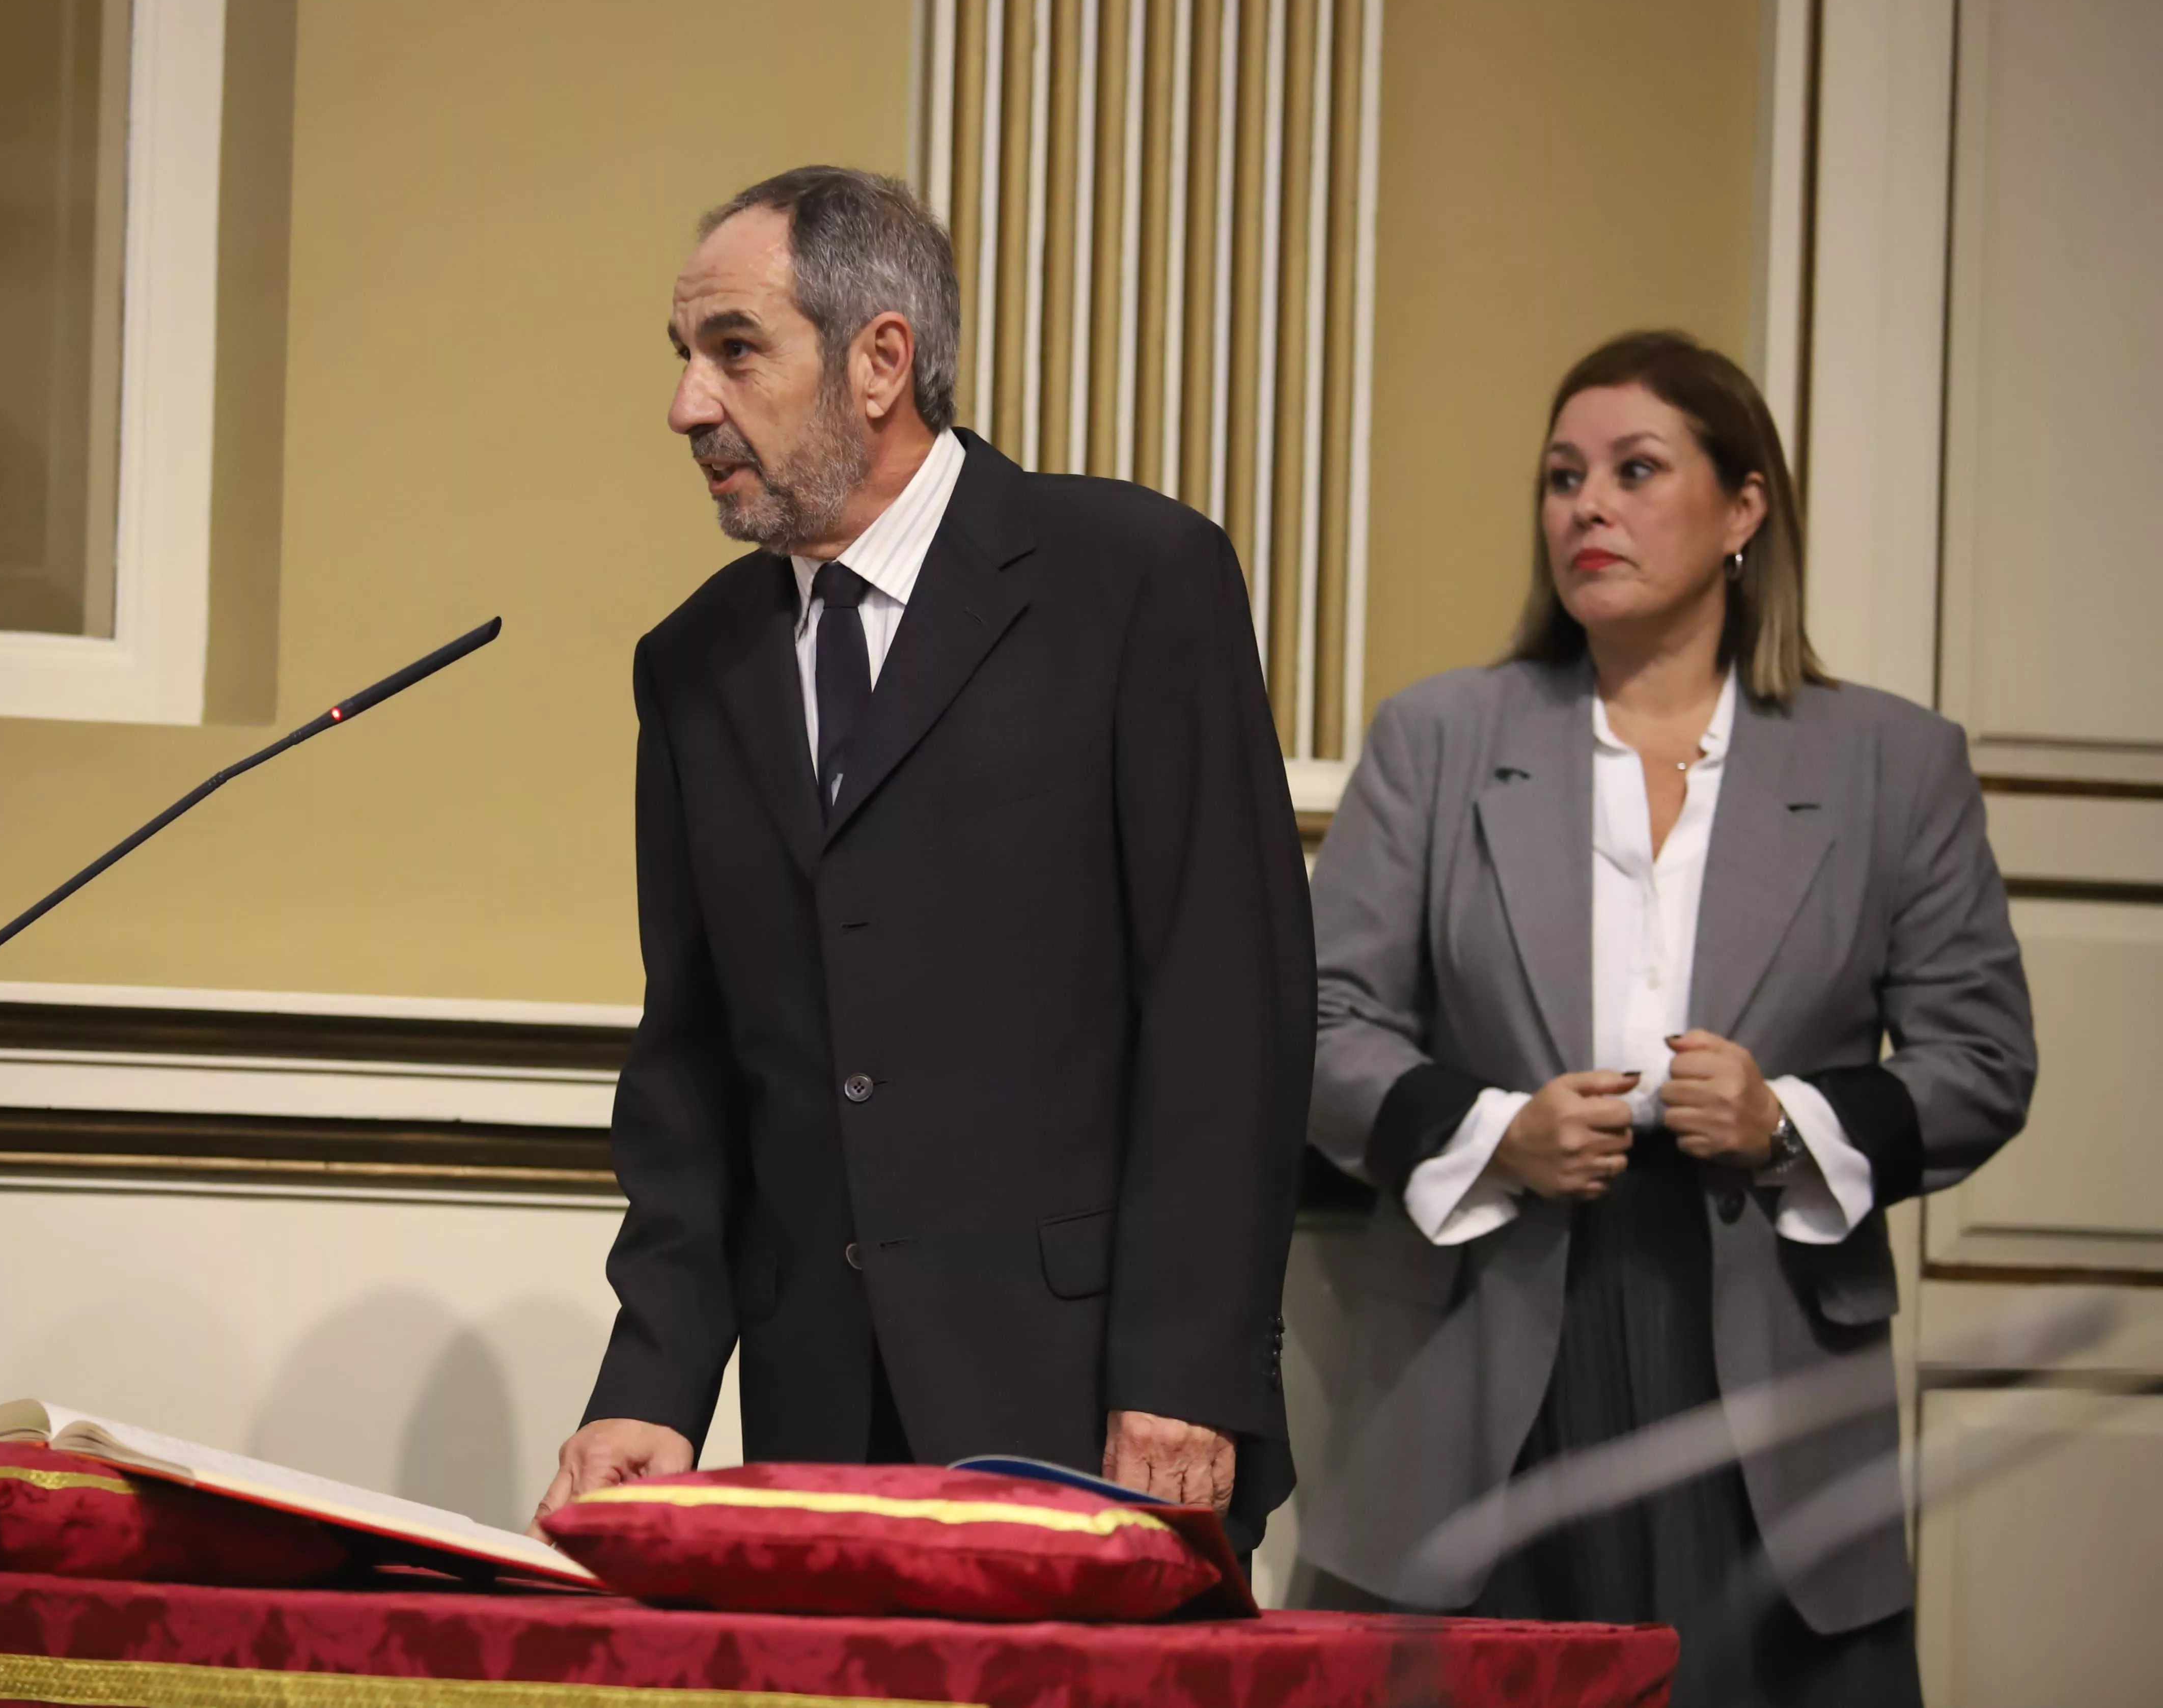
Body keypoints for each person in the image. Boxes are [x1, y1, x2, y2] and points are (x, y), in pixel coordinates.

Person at [532, 166, 1313, 1554]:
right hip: (820, 1414)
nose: (688, 406)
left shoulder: (1134, 578)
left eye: (734, 351)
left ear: (881, 358)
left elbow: (1226, 1008)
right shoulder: (695, 664)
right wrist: (654, 1378)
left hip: (1095, 1412)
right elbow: (695, 1066)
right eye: (684, 359)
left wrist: (1187, 1372)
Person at [1300, 330, 2033, 1702]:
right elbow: (1324, 1021)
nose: (1589, 507)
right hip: (1492, 1325)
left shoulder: (1892, 762)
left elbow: (1985, 1060)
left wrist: (1787, 1119)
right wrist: (1494, 1128)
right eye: (1563, 477)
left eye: (1638, 470)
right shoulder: (1438, 737)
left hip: (1761, 1343)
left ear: (1744, 509)